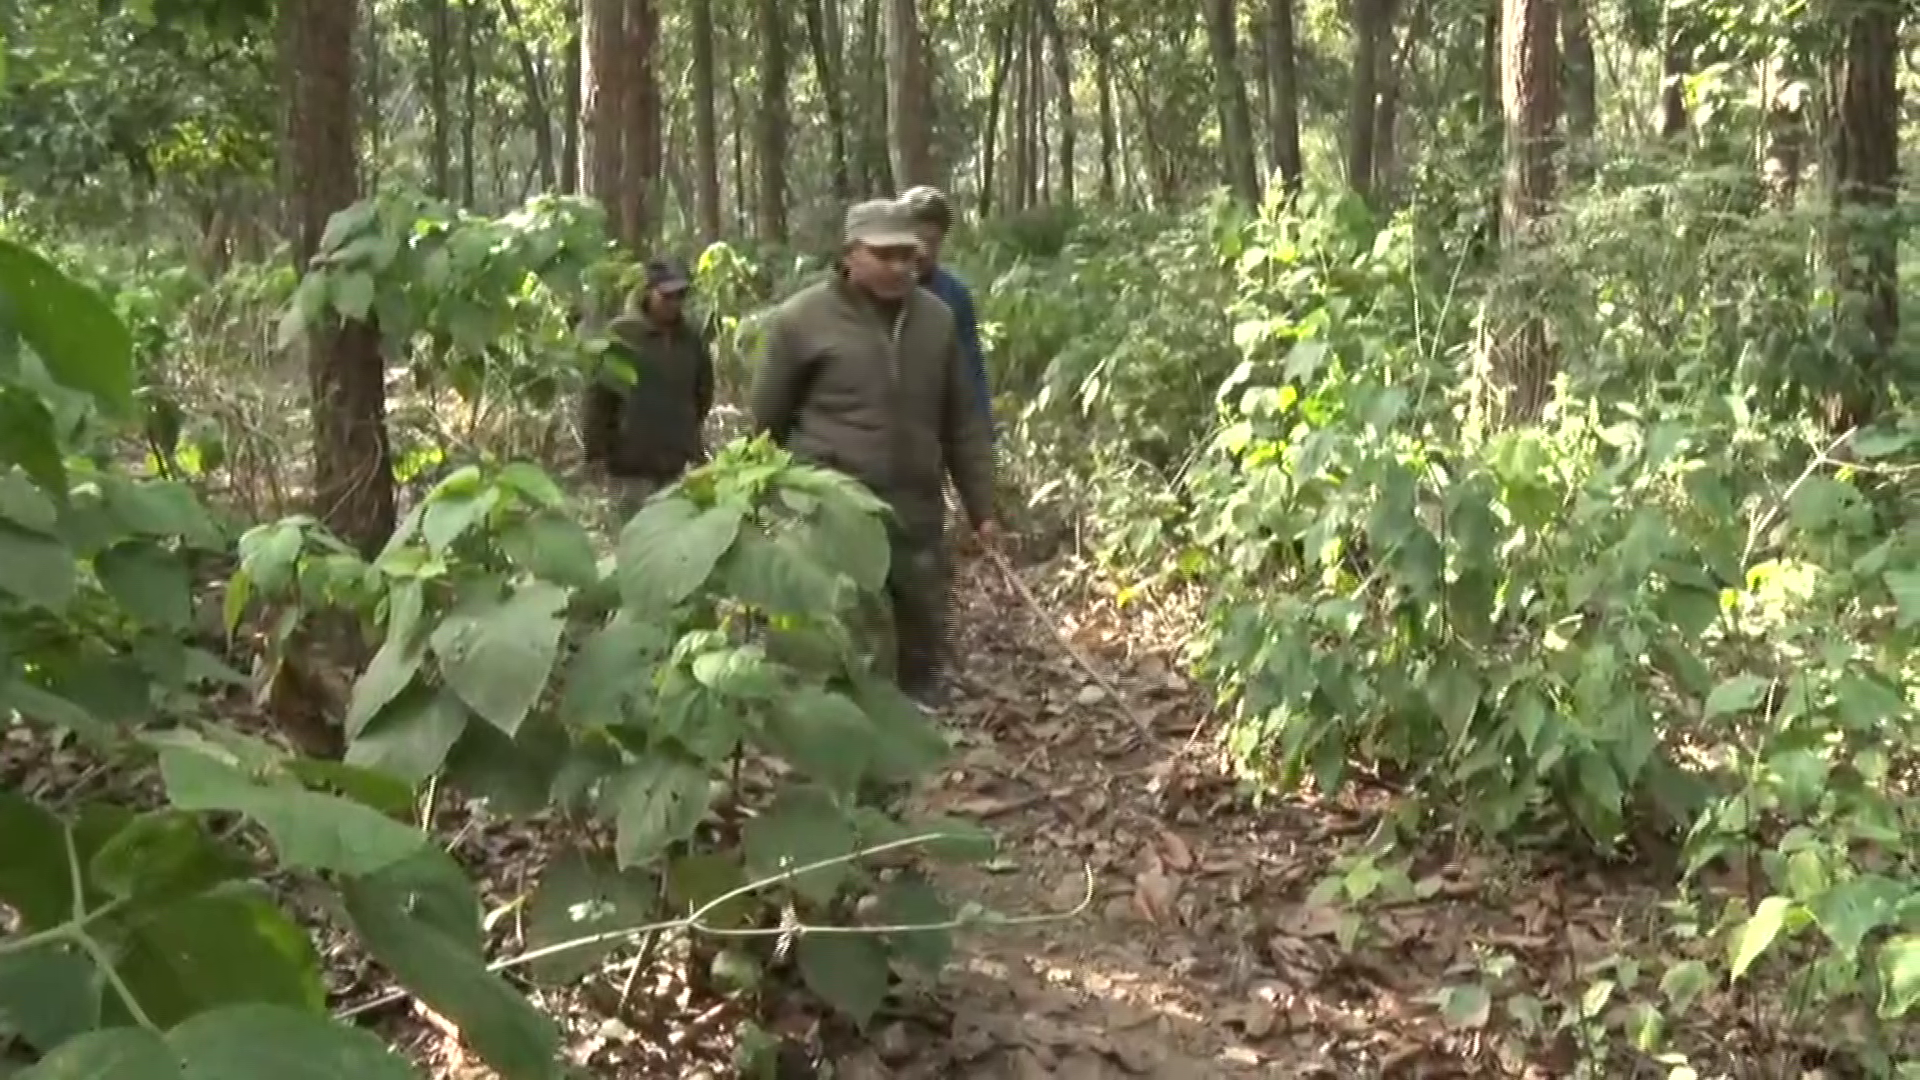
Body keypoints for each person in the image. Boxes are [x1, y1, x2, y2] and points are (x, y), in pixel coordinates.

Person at [750, 198, 999, 708]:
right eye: (884, 255)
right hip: (833, 502)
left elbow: (964, 422)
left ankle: (917, 713)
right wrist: (770, 495)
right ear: (850, 254)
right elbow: (769, 418)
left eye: (908, 255)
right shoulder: (801, 320)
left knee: (920, 610)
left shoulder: (937, 320)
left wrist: (984, 510)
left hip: (915, 497)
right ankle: (843, 716)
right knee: (843, 617)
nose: (899, 267)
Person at [579, 256, 714, 514]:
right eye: (667, 296)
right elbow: (598, 399)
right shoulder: (622, 335)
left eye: (681, 296)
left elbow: (703, 392)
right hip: (631, 466)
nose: (675, 303)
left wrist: (685, 428)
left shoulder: (692, 340)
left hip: (680, 463)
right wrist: (596, 453)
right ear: (649, 293)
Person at [897, 185, 993, 437]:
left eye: (933, 241)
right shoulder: (876, 285)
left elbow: (971, 369)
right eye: (918, 239)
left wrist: (983, 435)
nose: (924, 251)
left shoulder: (954, 295)